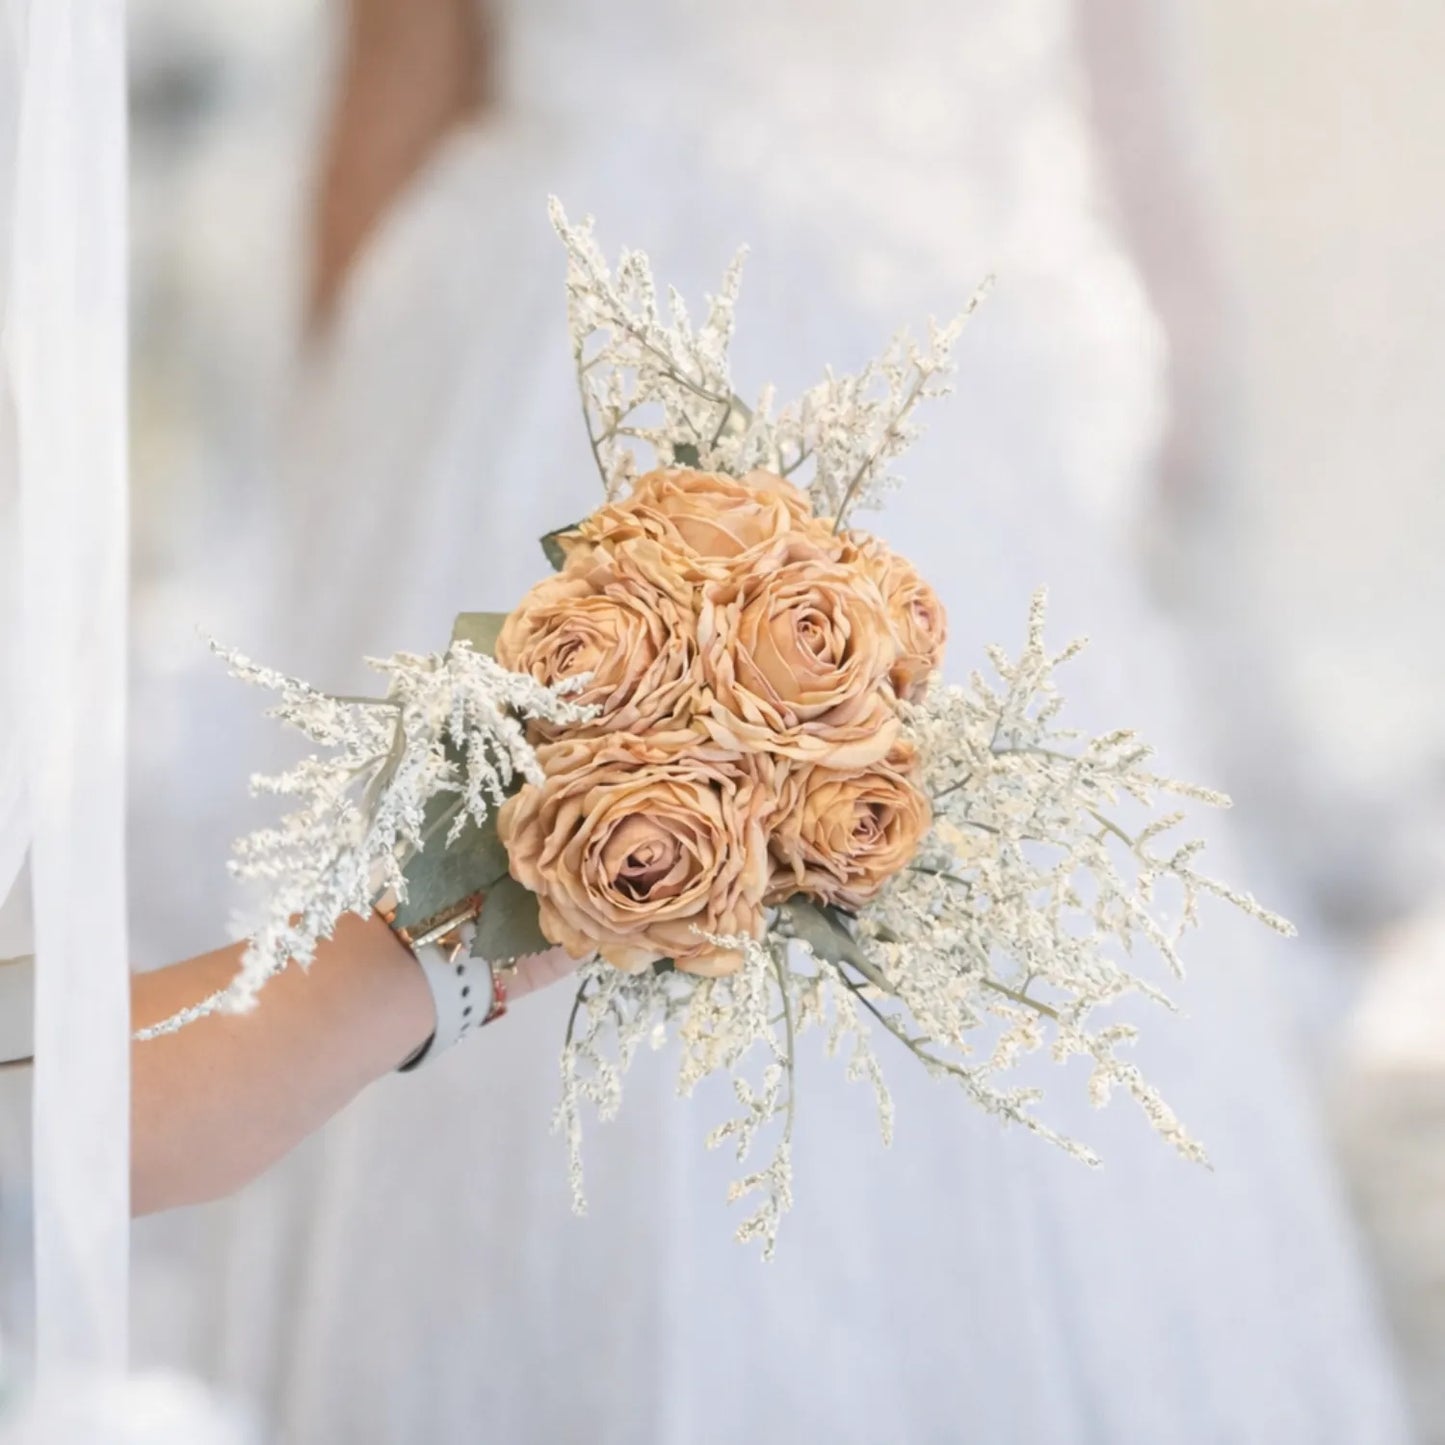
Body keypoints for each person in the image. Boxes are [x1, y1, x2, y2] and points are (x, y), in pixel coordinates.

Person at [120, 0, 1412, 1441]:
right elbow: (1123, 121)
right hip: (932, 363)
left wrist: (341, 479)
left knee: (530, 968)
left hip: (546, 348)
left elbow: (399, 85)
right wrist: (1114, 441)